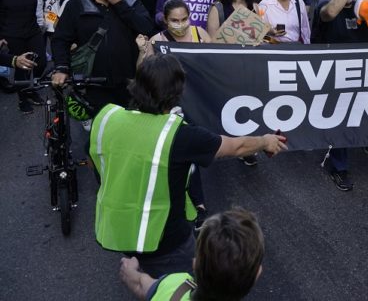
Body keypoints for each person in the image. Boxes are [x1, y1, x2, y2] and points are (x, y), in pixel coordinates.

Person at [89, 54, 286, 278]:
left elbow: (96, 159)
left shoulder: (107, 117)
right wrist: (265, 141)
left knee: (144, 280)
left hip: (118, 228)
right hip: (165, 240)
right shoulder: (180, 135)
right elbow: (237, 146)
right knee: (180, 286)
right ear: (177, 92)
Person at [51, 0, 155, 111]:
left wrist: (119, 3)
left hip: (129, 83)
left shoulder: (130, 1)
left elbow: (147, 28)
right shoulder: (77, 4)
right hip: (94, 83)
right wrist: (61, 68)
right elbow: (60, 39)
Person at [312, 0, 368, 190]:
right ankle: (339, 167)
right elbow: (330, 13)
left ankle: (365, 141)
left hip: (359, 70)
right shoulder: (325, 3)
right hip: (331, 71)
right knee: (339, 118)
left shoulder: (361, 6)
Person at [119, 208, 265, 301]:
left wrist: (129, 269)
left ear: (195, 264)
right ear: (257, 274)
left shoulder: (174, 284)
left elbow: (141, 285)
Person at [0, 0, 56, 113]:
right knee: (22, 67)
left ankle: (31, 90)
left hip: (32, 31)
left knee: (41, 63)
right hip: (12, 34)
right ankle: (23, 99)